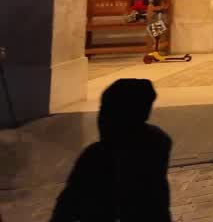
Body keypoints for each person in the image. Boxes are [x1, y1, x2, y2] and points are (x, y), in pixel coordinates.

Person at [52, 79, 172, 222]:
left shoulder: (97, 156)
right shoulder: (157, 141)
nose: (101, 118)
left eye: (106, 111)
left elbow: (68, 202)